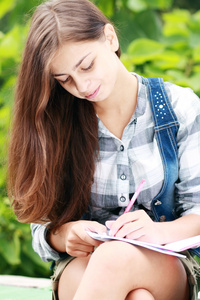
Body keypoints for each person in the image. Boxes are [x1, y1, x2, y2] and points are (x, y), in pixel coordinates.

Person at [7, 0, 200, 299]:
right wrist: (66, 235)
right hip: (82, 265)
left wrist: (157, 232)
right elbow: (41, 225)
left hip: (165, 262)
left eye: (87, 65)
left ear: (110, 39)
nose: (83, 86)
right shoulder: (57, 121)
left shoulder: (178, 108)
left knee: (114, 258)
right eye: (65, 79)